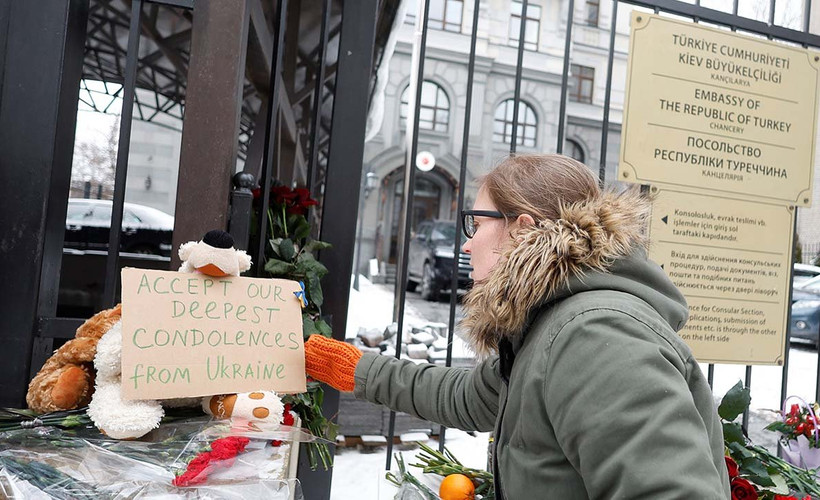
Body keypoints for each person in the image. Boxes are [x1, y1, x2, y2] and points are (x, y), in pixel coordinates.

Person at [303, 154, 730, 499]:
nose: (467, 242)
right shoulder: (550, 324)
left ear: (521, 229)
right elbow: (465, 396)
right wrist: (345, 364)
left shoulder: (596, 335)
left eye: (477, 221)